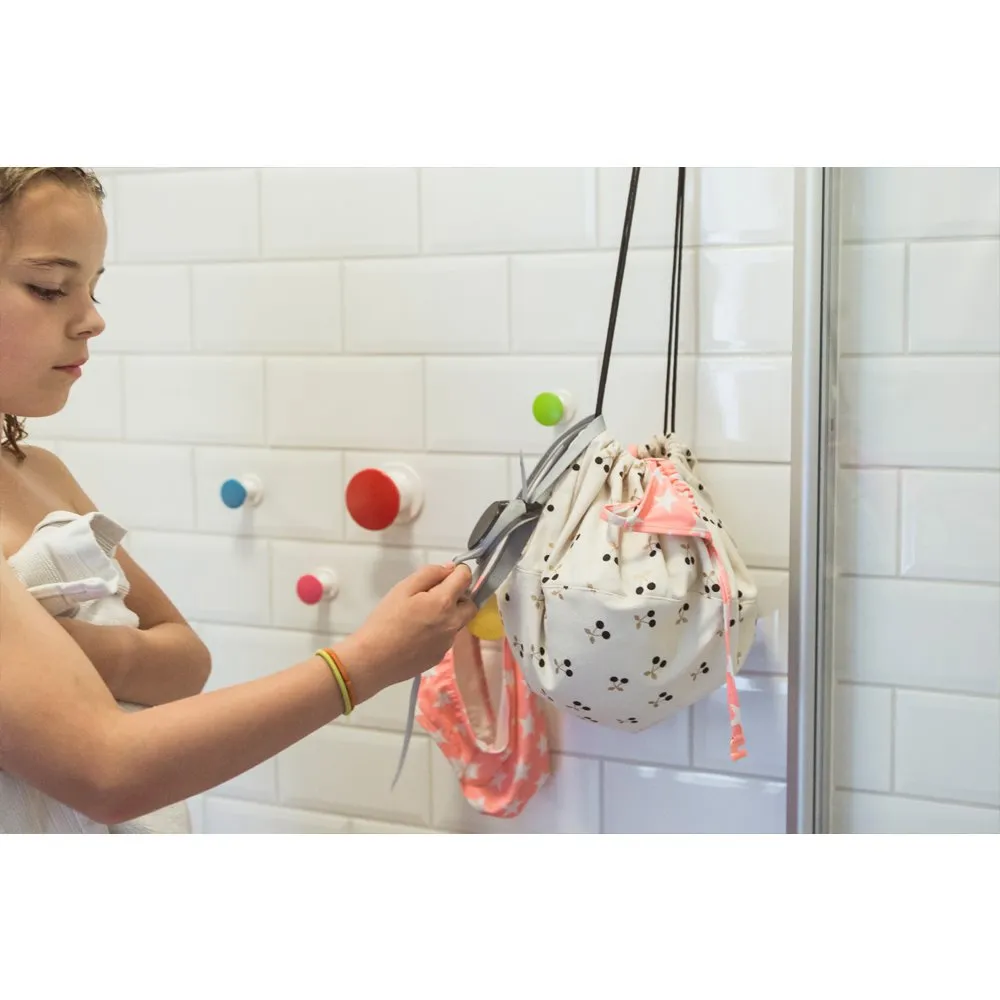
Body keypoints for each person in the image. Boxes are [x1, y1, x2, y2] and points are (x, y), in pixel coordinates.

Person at [0, 167, 477, 833]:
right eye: (49, 288)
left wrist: (77, 651)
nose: (92, 319)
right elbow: (107, 773)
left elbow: (186, 661)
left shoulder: (40, 473)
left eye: (93, 287)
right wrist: (366, 662)